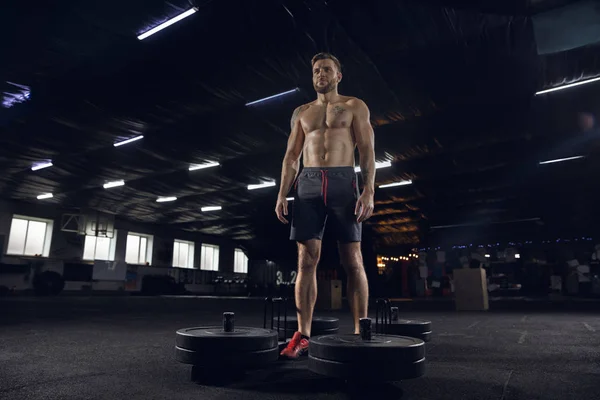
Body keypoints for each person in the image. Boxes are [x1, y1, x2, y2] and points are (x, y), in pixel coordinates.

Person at [274, 52, 376, 359]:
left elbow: (368, 150)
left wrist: (369, 189)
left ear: (338, 76)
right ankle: (303, 335)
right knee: (306, 259)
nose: (321, 74)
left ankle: (361, 332)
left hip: (344, 181)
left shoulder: (354, 105)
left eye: (327, 69)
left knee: (352, 258)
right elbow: (291, 157)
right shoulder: (302, 112)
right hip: (307, 183)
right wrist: (282, 193)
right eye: (317, 70)